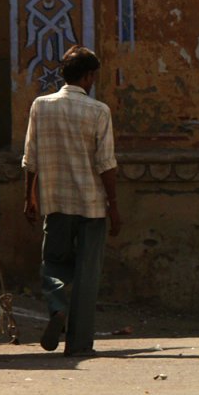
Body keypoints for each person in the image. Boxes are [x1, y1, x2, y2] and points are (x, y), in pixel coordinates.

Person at [22, 46, 121, 357]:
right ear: (89, 76)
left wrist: (29, 197)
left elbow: (30, 159)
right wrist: (114, 206)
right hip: (91, 205)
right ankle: (78, 343)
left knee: (53, 263)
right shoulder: (98, 111)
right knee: (87, 273)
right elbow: (106, 163)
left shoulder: (40, 106)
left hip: (54, 200)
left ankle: (56, 308)